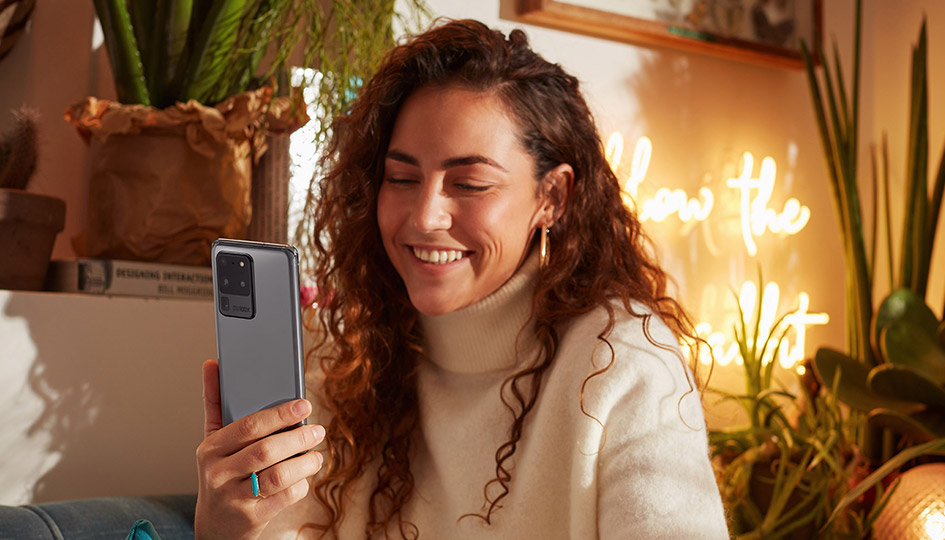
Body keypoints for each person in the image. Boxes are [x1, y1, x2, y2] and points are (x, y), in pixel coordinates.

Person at [195, 18, 729, 539]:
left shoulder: (625, 366)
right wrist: (224, 528)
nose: (425, 216)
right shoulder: (345, 367)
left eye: (470, 184)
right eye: (401, 177)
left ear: (552, 197)